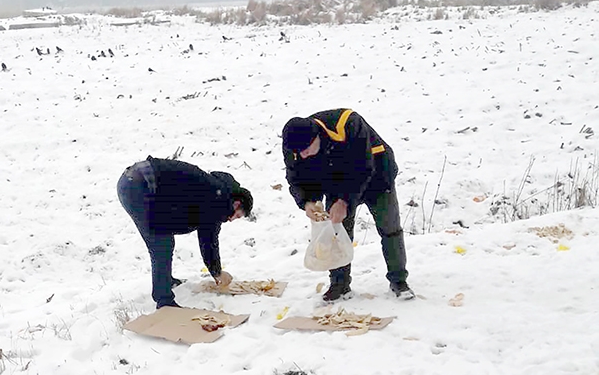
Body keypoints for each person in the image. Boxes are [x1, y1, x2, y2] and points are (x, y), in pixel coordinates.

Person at [281, 108, 414, 301]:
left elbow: (362, 167)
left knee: (389, 227)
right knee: (336, 230)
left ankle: (399, 280)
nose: (303, 155)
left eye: (307, 150)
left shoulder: (347, 123)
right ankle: (339, 284)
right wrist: (307, 201)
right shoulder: (294, 146)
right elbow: (296, 176)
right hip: (335, 180)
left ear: (317, 136)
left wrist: (344, 201)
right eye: (298, 153)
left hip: (377, 175)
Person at [117, 156, 253, 309]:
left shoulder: (218, 191)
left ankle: (165, 281)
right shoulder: (217, 199)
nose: (232, 220)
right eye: (237, 215)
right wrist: (217, 272)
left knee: (164, 238)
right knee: (162, 244)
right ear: (236, 203)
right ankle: (164, 301)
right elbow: (208, 240)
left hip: (133, 181)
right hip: (139, 186)